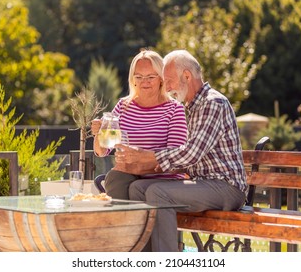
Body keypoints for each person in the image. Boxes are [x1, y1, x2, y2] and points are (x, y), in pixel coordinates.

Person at [113, 49, 247, 252]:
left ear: (187, 75)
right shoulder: (192, 106)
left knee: (159, 193)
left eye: (169, 80)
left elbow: (191, 153)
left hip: (226, 187)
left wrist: (150, 157)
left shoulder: (213, 103)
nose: (166, 87)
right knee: (137, 188)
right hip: (202, 184)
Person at [91, 49, 188, 199]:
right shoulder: (124, 106)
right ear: (133, 79)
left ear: (161, 78)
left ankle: (132, 221)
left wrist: (140, 164)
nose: (145, 81)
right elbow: (102, 151)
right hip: (128, 175)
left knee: (133, 186)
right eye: (139, 76)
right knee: (115, 177)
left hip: (161, 179)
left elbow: (175, 159)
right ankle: (126, 221)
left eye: (151, 76)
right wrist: (99, 133)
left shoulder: (174, 109)